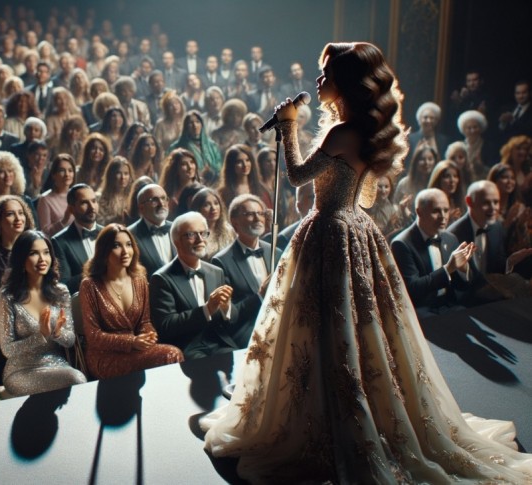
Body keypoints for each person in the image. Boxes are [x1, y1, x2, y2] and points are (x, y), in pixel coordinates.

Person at [203, 42, 532, 482]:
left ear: (346, 84)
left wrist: (287, 126)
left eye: (326, 75)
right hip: (355, 228)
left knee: (324, 324)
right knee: (354, 326)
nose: (318, 83)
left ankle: (324, 415)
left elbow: (298, 175)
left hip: (329, 231)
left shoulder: (340, 134)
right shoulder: (361, 129)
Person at [79, 223, 183, 380]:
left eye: (128, 245)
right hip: (103, 356)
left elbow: (145, 321)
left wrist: (148, 335)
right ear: (104, 251)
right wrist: (131, 342)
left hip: (136, 349)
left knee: (173, 353)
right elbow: (93, 336)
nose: (125, 251)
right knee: (169, 356)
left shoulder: (139, 280)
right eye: (116, 245)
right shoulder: (90, 285)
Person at [0, 230, 86, 396]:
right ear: (21, 259)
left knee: (77, 378)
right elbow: (7, 350)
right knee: (75, 380)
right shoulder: (8, 296)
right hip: (20, 371)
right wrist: (41, 336)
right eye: (33, 253)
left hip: (56, 364)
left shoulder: (61, 292)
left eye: (46, 253)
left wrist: (58, 333)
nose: (42, 259)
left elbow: (70, 340)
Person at [149, 211, 237, 359]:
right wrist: (206, 309)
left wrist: (226, 307)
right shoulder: (161, 278)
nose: (200, 240)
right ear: (176, 241)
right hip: (187, 347)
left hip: (219, 342)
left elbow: (232, 318)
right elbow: (166, 326)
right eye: (191, 235)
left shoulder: (216, 272)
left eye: (203, 233)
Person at [392, 189, 475, 317]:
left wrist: (463, 270)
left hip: (449, 305)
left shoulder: (450, 238)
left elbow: (461, 287)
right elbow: (412, 289)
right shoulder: (401, 243)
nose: (443, 216)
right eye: (436, 211)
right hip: (420, 310)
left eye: (446, 210)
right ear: (419, 212)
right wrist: (448, 269)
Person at [212, 194, 282, 330]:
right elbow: (229, 314)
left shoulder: (276, 252)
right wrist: (260, 296)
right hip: (247, 328)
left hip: (279, 322)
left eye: (260, 213)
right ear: (234, 222)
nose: (257, 218)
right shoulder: (221, 261)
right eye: (250, 214)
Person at [0, 195, 36, 304]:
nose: (18, 218)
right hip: (3, 309)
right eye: (10, 214)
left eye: (21, 213)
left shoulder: (35, 246)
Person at [51, 183, 102, 294]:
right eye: (84, 202)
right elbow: (64, 285)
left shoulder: (108, 233)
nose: (92, 207)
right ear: (71, 209)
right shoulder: (59, 242)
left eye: (94, 201)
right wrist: (94, 270)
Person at [127, 184, 176, 278]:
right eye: (154, 200)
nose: (161, 204)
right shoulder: (130, 234)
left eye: (163, 198)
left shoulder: (178, 228)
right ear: (141, 207)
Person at [169, 110, 221, 184]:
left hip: (213, 184)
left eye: (197, 122)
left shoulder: (212, 146)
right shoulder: (178, 146)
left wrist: (211, 171)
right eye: (191, 123)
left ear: (202, 125)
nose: (195, 125)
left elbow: (219, 165)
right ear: (186, 127)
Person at [36, 154, 76, 236]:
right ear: (54, 175)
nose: (67, 174)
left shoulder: (77, 195)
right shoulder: (45, 200)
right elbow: (45, 233)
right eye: (62, 170)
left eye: (70, 170)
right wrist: (64, 220)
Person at [96, 157, 134, 226]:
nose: (123, 177)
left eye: (126, 173)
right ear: (111, 175)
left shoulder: (132, 198)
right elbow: (98, 224)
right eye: (118, 173)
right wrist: (114, 219)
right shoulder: (100, 198)